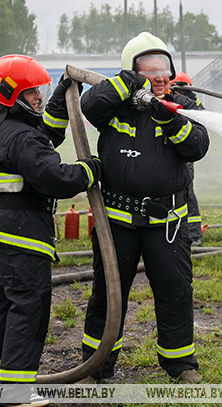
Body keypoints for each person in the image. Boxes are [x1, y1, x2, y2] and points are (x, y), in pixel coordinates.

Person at [79, 32, 209, 384]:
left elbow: (197, 145)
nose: (161, 77)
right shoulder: (113, 106)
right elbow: (88, 105)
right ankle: (96, 365)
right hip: (117, 223)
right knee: (108, 294)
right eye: (150, 71)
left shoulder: (182, 106)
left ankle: (180, 365)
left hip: (167, 222)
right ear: (132, 74)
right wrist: (127, 87)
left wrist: (168, 116)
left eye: (164, 69)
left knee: (175, 290)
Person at [0, 54, 102, 407]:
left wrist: (61, 95)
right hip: (24, 232)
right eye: (31, 92)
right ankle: (14, 391)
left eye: (40, 90)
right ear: (12, 95)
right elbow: (52, 176)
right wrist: (88, 171)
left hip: (3, 229)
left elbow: (42, 138)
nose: (37, 97)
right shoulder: (22, 138)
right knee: (29, 305)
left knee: (1, 304)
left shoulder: (1, 127)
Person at [170, 71, 203, 246]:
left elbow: (202, 118)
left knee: (188, 195)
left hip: (184, 160)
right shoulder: (166, 100)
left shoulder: (192, 104)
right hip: (167, 157)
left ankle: (194, 235)